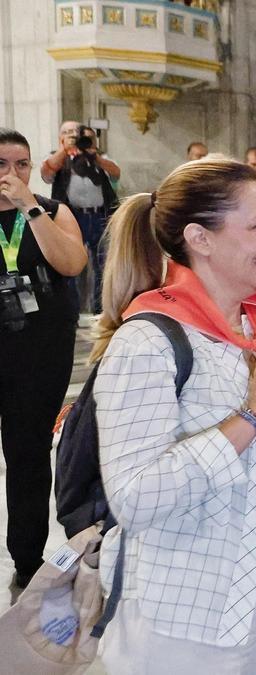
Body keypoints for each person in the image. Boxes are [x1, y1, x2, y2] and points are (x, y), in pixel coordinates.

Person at [91, 158, 256, 672]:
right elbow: (135, 498)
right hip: (190, 584)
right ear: (200, 238)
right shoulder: (149, 341)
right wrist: (252, 415)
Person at [0, 128, 88, 588]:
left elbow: (72, 263)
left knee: (29, 453)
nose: (12, 174)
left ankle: (27, 556)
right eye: (1, 165)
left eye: (21, 164)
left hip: (39, 351)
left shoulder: (50, 211)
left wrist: (29, 208)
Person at [41, 121, 120, 313]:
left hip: (99, 216)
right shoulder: (58, 158)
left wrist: (94, 156)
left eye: (76, 133)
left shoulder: (100, 157)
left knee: (103, 264)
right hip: (72, 217)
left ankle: (101, 311)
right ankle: (71, 311)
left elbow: (116, 174)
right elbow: (46, 173)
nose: (75, 137)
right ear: (60, 137)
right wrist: (65, 150)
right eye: (68, 133)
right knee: (70, 264)